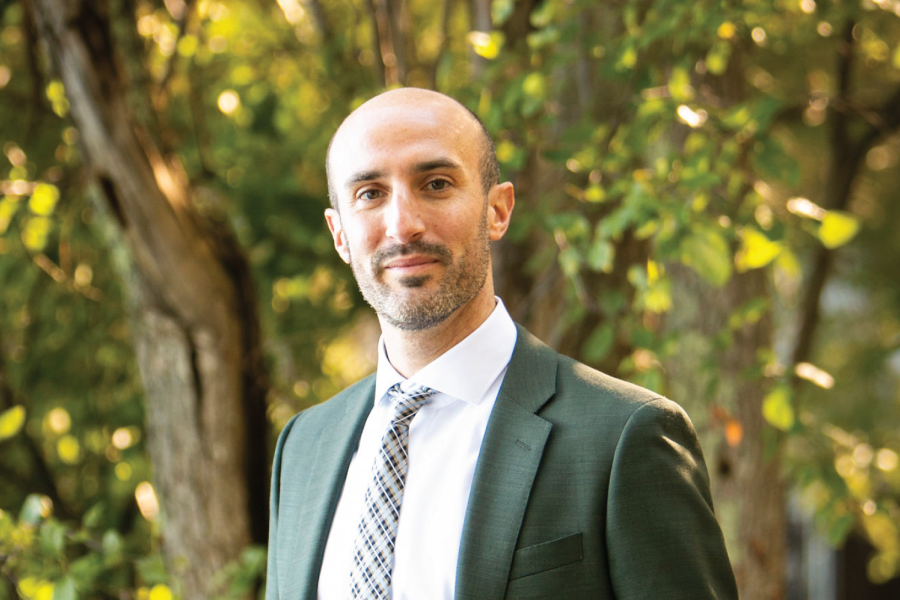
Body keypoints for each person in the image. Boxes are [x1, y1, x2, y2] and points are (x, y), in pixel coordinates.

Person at [265, 87, 738, 600]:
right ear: (339, 235)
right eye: (369, 194)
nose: (403, 225)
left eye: (436, 183)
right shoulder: (304, 447)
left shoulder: (626, 437)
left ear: (497, 210)